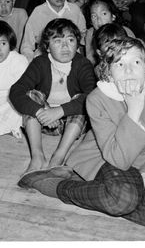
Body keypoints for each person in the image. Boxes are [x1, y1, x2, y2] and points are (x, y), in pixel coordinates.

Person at [21, 37, 145, 228]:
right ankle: (55, 186)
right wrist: (134, 111)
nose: (129, 70)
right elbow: (118, 159)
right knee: (124, 198)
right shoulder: (97, 99)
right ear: (108, 72)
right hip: (104, 156)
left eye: (137, 62)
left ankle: (98, 189)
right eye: (120, 63)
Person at [10, 18, 96, 175]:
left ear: (77, 44)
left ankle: (58, 157)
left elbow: (92, 96)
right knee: (31, 94)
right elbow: (16, 91)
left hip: (73, 126)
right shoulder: (40, 63)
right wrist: (39, 111)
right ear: (47, 47)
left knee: (82, 98)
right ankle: (37, 157)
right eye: (57, 41)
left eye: (70, 40)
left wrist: (60, 111)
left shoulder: (83, 64)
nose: (65, 46)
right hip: (44, 122)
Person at [20, 0, 86, 63]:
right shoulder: (38, 12)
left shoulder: (74, 9)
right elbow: (27, 45)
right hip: (45, 58)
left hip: (70, 56)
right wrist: (30, 63)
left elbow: (82, 35)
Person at [85, 0, 135, 65]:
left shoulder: (125, 32)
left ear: (113, 16)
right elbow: (90, 62)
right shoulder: (90, 33)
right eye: (94, 16)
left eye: (104, 14)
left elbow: (134, 56)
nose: (99, 20)